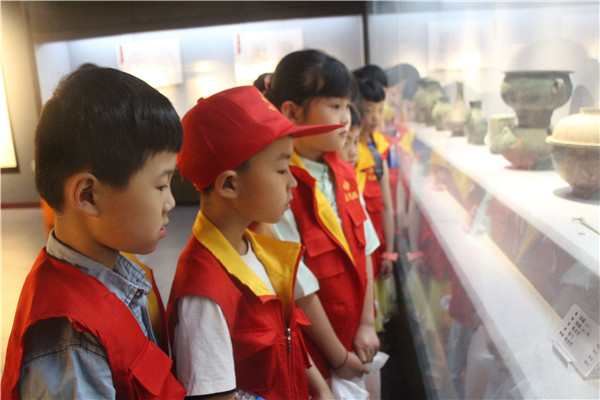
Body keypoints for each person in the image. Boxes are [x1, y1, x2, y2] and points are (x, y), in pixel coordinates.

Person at [1, 67, 186, 399]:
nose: (170, 202)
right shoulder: (70, 340)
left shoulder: (118, 276)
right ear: (88, 195)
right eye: (161, 185)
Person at [167, 86, 336, 400]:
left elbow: (287, 337)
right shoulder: (205, 293)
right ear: (230, 184)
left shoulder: (257, 248)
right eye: (281, 169)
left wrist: (321, 390)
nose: (292, 182)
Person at [266, 49, 380, 382]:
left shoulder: (342, 171)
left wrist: (367, 323)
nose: (346, 118)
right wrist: (338, 356)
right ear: (292, 111)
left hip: (356, 335)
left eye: (347, 105)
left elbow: (365, 246)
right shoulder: (281, 183)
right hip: (318, 351)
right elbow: (298, 285)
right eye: (334, 106)